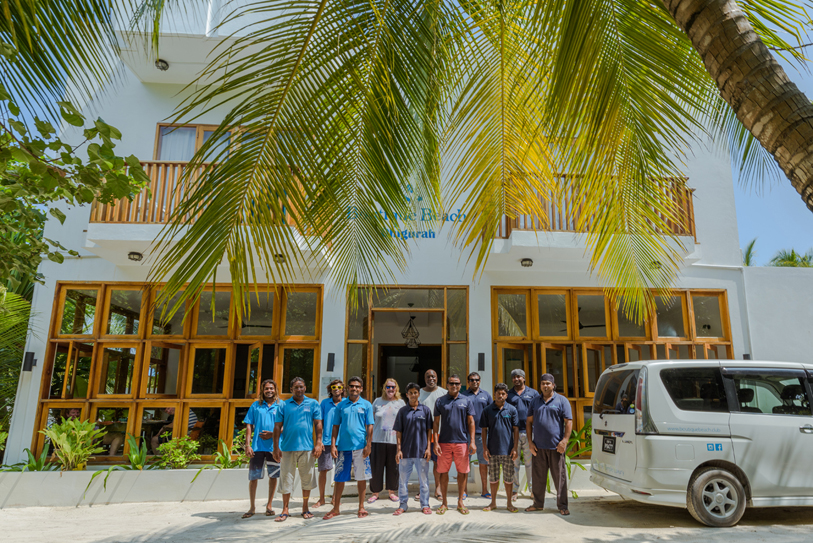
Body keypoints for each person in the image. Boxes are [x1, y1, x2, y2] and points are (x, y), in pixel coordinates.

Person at [324, 376, 375, 520]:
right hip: (343, 448)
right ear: (348, 388)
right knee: (340, 478)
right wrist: (333, 445)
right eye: (352, 386)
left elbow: (370, 426)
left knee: (361, 477)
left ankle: (361, 507)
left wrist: (368, 444)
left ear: (361, 389)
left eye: (357, 386)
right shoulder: (341, 405)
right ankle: (336, 508)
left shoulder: (366, 405)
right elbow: (335, 426)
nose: (354, 389)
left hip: (361, 447)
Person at [272, 377, 323, 521]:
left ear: (305, 388)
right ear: (291, 390)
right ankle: (285, 509)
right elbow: (277, 426)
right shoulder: (284, 405)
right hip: (287, 448)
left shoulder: (313, 403)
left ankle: (305, 507)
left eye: (301, 386)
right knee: (286, 479)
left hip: (307, 448)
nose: (299, 389)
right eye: (296, 387)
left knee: (306, 479)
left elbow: (318, 424)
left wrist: (318, 443)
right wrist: (276, 447)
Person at [525, 373, 573, 516]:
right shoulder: (535, 401)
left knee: (560, 479)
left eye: (548, 383)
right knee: (538, 477)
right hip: (538, 448)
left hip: (556, 448)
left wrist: (564, 441)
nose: (545, 386)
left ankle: (562, 505)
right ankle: (538, 504)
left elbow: (568, 422)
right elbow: (529, 422)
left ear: (553, 385)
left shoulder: (562, 401)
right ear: (540, 386)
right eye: (542, 383)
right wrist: (530, 442)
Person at [433, 374, 476, 515]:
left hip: (462, 442)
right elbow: (436, 423)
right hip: (444, 442)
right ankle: (444, 503)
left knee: (462, 472)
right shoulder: (440, 401)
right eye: (451, 383)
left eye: (457, 383)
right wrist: (435, 442)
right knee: (443, 472)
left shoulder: (467, 400)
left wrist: (472, 442)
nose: (454, 386)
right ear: (447, 385)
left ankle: (460, 502)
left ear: (460, 385)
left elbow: (471, 422)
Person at [242, 379, 283, 518]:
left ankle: (269, 505)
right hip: (257, 447)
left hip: (274, 448)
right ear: (262, 390)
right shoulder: (256, 405)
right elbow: (249, 425)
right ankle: (252, 507)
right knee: (254, 477)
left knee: (273, 476)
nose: (269, 391)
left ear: (275, 389)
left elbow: (287, 425)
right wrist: (247, 445)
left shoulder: (281, 405)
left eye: (272, 388)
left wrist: (273, 434)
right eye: (267, 388)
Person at [393, 382, 434, 516]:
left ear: (419, 394)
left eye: (415, 392)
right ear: (407, 395)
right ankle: (403, 504)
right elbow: (398, 432)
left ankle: (425, 504)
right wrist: (399, 450)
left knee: (424, 481)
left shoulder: (425, 410)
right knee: (403, 481)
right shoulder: (403, 411)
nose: (413, 395)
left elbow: (429, 431)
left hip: (421, 452)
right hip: (405, 452)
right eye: (410, 393)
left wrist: (428, 448)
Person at [480, 383, 519, 512]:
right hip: (493, 450)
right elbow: (484, 430)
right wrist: (485, 448)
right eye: (498, 393)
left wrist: (515, 448)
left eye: (503, 394)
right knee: (493, 478)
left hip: (508, 451)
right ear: (494, 394)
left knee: (508, 479)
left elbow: (516, 430)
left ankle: (509, 504)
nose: (500, 396)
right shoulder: (487, 410)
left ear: (506, 395)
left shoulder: (512, 410)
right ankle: (493, 503)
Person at [369, 379, 405, 504]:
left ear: (396, 389)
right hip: (377, 440)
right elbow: (371, 421)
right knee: (376, 468)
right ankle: (375, 493)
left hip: (394, 441)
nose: (390, 389)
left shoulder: (400, 403)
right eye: (388, 387)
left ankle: (392, 492)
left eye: (393, 387)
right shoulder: (377, 401)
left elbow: (404, 422)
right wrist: (368, 440)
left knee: (393, 468)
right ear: (384, 388)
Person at [507, 368, 538, 497]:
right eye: (514, 377)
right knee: (514, 463)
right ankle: (515, 490)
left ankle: (532, 490)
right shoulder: (508, 394)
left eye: (519, 376)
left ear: (524, 378)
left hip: (530, 433)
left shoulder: (533, 393)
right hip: (513, 434)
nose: (516, 379)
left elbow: (538, 411)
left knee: (530, 463)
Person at [315, 379, 345, 508]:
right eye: (333, 387)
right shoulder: (324, 403)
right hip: (326, 442)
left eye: (339, 387)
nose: (336, 389)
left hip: (342, 442)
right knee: (323, 470)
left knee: (340, 471)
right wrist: (319, 440)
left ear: (343, 389)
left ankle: (335, 498)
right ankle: (321, 498)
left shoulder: (346, 403)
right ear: (330, 389)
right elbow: (319, 422)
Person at [461, 371, 492, 498]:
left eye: (477, 380)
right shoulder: (463, 395)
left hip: (483, 434)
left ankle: (484, 490)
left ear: (480, 381)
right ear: (468, 382)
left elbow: (491, 413)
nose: (475, 382)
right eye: (472, 380)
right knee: (464, 463)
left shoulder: (486, 395)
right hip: (466, 435)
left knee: (483, 463)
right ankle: (464, 491)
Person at [419, 369, 446, 499]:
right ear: (425, 379)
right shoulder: (419, 393)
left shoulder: (444, 393)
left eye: (433, 376)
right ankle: (422, 489)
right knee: (422, 463)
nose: (431, 379)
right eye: (428, 376)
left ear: (437, 378)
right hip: (422, 434)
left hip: (439, 434)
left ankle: (438, 488)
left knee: (437, 463)